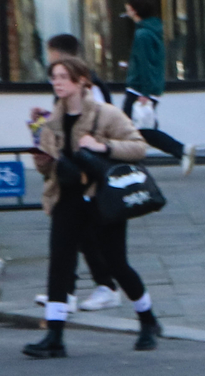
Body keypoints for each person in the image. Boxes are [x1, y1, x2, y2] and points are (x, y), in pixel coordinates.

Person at [22, 58, 161, 359]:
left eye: (63, 77)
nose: (57, 83)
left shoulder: (105, 114)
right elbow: (45, 168)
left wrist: (104, 147)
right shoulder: (53, 121)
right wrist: (41, 155)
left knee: (115, 264)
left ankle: (147, 319)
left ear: (81, 81)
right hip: (67, 199)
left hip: (102, 199)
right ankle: (55, 335)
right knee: (60, 264)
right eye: (54, 77)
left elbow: (139, 146)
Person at [117, 0, 192, 176]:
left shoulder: (142, 34)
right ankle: (179, 151)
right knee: (140, 129)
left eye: (128, 7)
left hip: (139, 89)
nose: (126, 11)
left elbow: (145, 64)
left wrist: (144, 91)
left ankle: (180, 150)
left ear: (134, 10)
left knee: (130, 129)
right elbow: (151, 61)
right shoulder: (152, 31)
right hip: (149, 88)